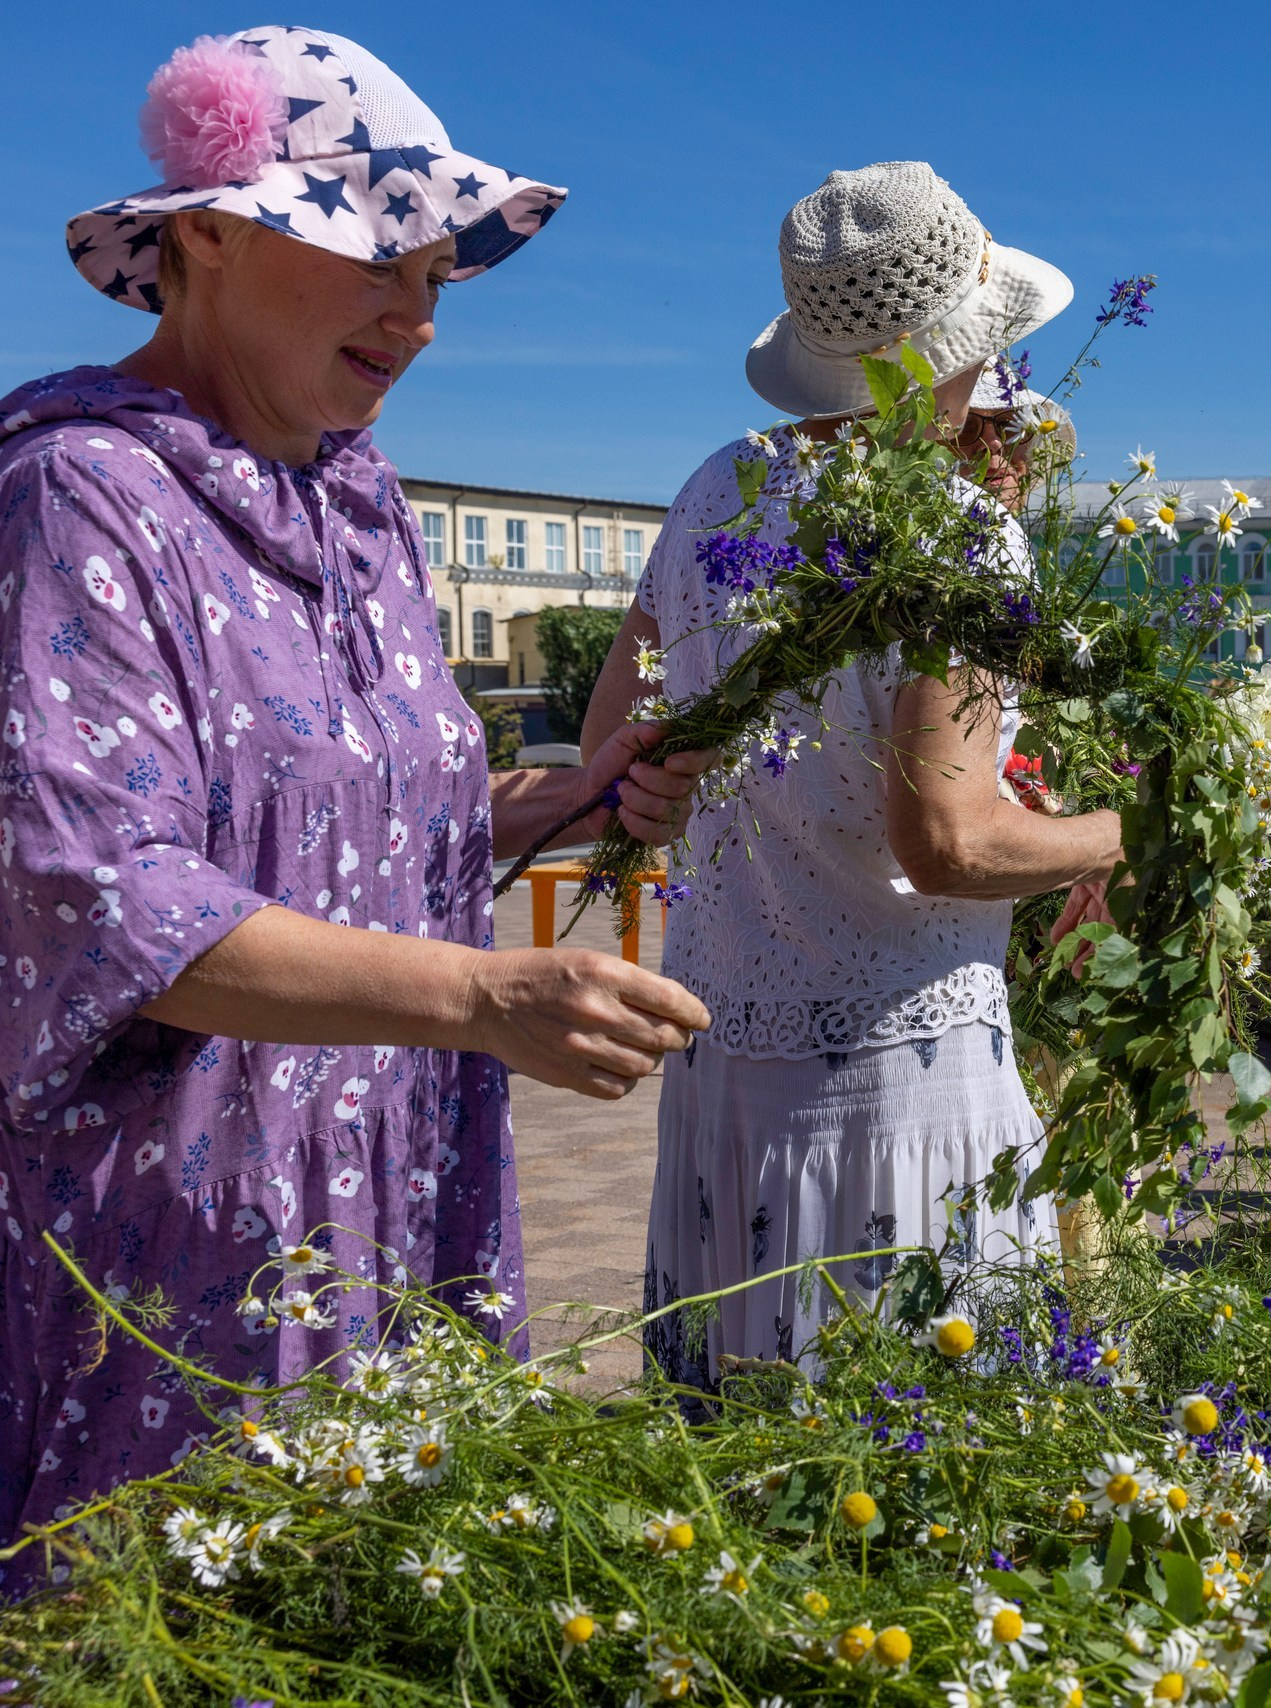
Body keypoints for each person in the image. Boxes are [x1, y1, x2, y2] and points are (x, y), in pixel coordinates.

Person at [0, 27, 712, 1566]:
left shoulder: (361, 499)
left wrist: (566, 798)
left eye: (438, 273)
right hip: (185, 1224)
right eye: (374, 255)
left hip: (390, 1172)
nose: (418, 314)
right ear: (203, 234)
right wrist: (477, 993)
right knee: (175, 1608)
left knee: (374, 1598)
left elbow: (372, 816)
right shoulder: (81, 498)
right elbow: (111, 897)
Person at [580, 164, 1121, 1385]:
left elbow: (617, 737)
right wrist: (1111, 832)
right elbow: (950, 840)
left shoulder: (721, 486)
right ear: (953, 352)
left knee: (740, 1486)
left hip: (727, 1068)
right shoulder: (959, 532)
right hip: (900, 1090)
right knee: (907, 1482)